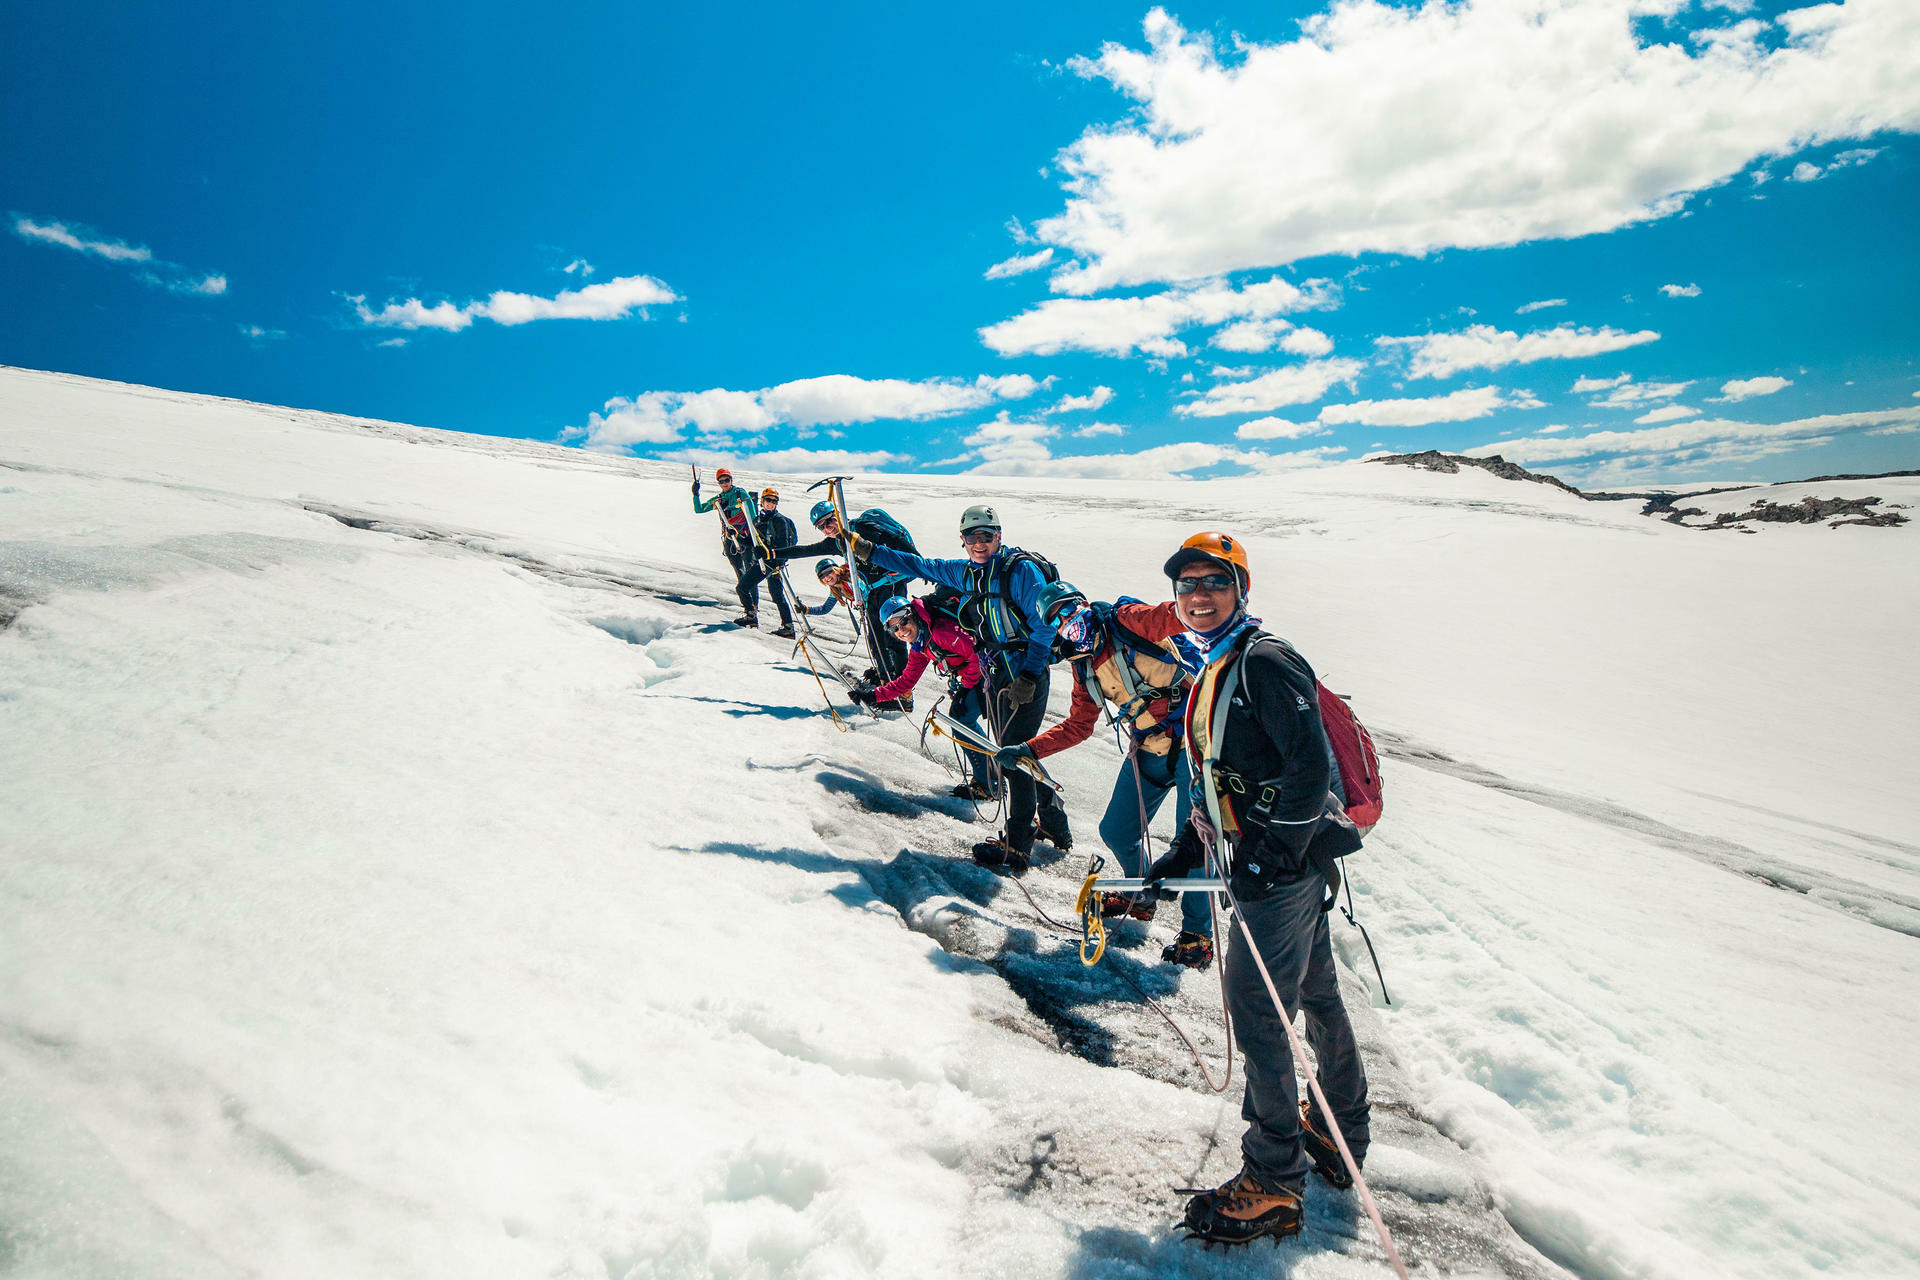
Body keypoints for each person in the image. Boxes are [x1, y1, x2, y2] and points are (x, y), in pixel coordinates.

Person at [1144, 532, 1370, 1245]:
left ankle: (1273, 1180)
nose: (1199, 596)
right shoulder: (1217, 663)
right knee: (1314, 992)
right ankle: (1339, 1131)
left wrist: (1270, 856)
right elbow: (1217, 773)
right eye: (1187, 586)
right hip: (1279, 865)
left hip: (1279, 872)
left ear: (1241, 590)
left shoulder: (1263, 663)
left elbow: (1307, 769)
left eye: (1214, 583)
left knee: (1258, 1005)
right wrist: (1187, 846)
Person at [990, 581, 1213, 967]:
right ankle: (1140, 894)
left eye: (1070, 610)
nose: (1069, 622)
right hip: (1148, 750)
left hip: (1195, 744)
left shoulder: (1126, 621)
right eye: (1058, 621)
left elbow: (1173, 615)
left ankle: (1197, 935)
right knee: (1116, 831)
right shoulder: (1084, 668)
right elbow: (1079, 725)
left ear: (1083, 604)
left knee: (1193, 843)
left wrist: (1208, 599)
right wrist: (1028, 750)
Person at [849, 504, 1070, 873]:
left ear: (999, 536)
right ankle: (1053, 823)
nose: (980, 543)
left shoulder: (1020, 570)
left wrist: (1030, 674)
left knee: (1014, 757)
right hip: (997, 675)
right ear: (964, 541)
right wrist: (868, 551)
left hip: (1023, 674)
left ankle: (1017, 847)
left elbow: (1043, 622)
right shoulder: (966, 573)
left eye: (987, 535)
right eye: (973, 537)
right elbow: (918, 565)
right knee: (1016, 753)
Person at [853, 594, 991, 796]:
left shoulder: (940, 632)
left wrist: (966, 687)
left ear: (913, 616)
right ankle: (989, 777)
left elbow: (977, 655)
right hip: (980, 678)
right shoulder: (921, 645)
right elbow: (906, 681)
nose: (901, 630)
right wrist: (873, 696)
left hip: (992, 676)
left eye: (903, 621)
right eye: (893, 628)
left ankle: (988, 782)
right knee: (962, 721)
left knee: (962, 720)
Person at [776, 500, 918, 690]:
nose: (827, 529)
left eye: (829, 522)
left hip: (891, 585)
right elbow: (805, 550)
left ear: (838, 515)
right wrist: (771, 553)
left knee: (893, 638)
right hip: (872, 592)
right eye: (821, 527)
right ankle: (886, 681)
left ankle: (903, 693)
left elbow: (895, 541)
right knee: (875, 640)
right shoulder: (836, 543)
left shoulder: (861, 527)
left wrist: (917, 562)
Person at [691, 467, 759, 627]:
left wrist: (755, 535)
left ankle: (753, 609)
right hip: (730, 540)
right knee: (740, 573)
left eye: (726, 480)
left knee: (750, 573)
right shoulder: (719, 499)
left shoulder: (740, 494)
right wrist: (695, 494)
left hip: (745, 538)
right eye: (721, 481)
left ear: (731, 480)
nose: (724, 484)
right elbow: (699, 509)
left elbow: (753, 516)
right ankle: (749, 610)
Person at [734, 487, 797, 638]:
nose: (770, 503)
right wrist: (736, 536)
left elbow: (783, 545)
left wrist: (773, 558)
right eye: (768, 500)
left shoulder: (780, 521)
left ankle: (751, 616)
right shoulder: (758, 519)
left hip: (770, 562)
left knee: (742, 587)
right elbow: (752, 541)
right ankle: (788, 627)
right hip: (765, 561)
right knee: (777, 595)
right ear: (762, 501)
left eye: (774, 501)